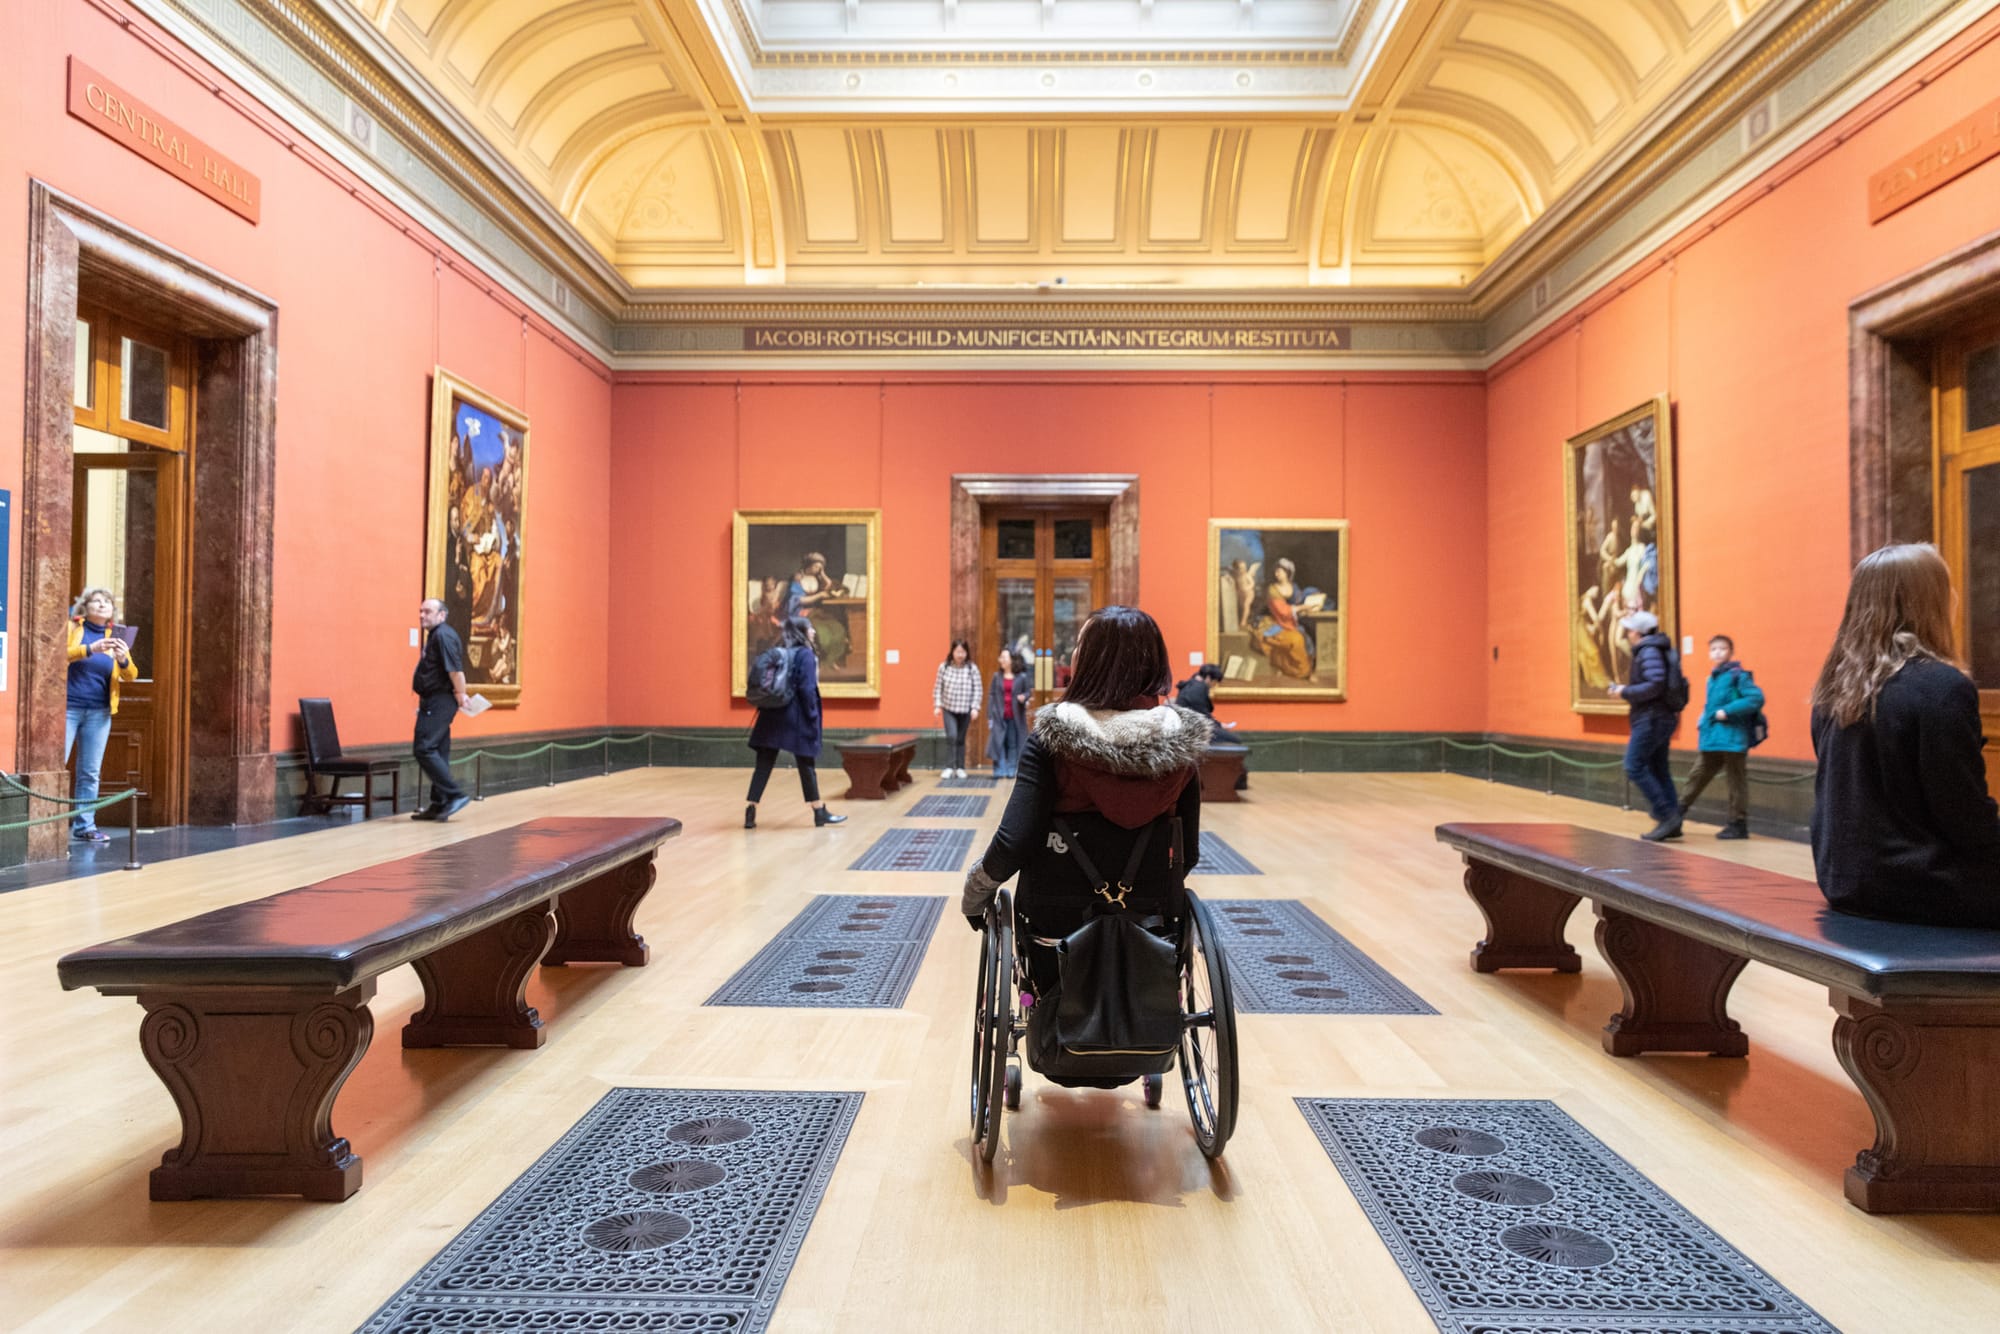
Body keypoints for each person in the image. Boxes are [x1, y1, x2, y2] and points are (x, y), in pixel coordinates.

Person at [961, 604, 1211, 952]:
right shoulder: (1182, 744)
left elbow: (1014, 841)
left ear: (1093, 663)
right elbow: (1191, 853)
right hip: (1150, 923)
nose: (1074, 653)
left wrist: (975, 891)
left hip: (1056, 923)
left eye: (1080, 645)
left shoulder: (1051, 739)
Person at [1810, 544, 2000, 928]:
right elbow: (1961, 813)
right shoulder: (1940, 685)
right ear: (1931, 600)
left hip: (1843, 878)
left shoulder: (1833, 688)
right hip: (1916, 883)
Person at [746, 616, 846, 829]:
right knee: (806, 764)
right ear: (802, 631)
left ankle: (750, 809)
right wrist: (812, 716)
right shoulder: (806, 655)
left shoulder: (781, 651)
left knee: (763, 765)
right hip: (796, 717)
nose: (814, 632)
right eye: (810, 628)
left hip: (771, 715)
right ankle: (819, 812)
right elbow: (807, 689)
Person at [65, 588, 138, 843]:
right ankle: (47, 829)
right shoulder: (73, 629)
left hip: (100, 712)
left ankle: (85, 826)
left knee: (90, 772)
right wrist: (89, 649)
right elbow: (59, 656)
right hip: (67, 709)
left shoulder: (116, 636)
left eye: (107, 602)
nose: (102, 604)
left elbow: (132, 675)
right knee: (55, 766)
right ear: (85, 607)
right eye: (97, 601)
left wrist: (123, 659)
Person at [1607, 608, 1684, 841]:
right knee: (1659, 768)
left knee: (1634, 765)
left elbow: (1655, 683)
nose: (1627, 633)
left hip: (1651, 717)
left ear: (1638, 632)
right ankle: (1673, 821)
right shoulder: (1655, 649)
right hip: (1660, 717)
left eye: (1629, 629)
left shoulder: (1648, 651)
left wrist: (1624, 691)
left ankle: (1666, 815)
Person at [1679, 634, 1765, 839]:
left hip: (1732, 737)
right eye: (1714, 649)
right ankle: (1676, 812)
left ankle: (1738, 822)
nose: (1718, 652)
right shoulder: (1712, 678)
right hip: (1713, 737)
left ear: (1731, 652)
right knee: (1697, 775)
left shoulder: (1739, 675)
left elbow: (1756, 698)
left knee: (1736, 781)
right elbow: (1711, 705)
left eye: (1723, 649)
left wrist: (1728, 711)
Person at [411, 597, 473, 822]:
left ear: (442, 615)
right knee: (438, 750)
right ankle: (439, 803)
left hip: (440, 700)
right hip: (434, 700)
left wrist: (460, 693)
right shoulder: (436, 636)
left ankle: (455, 794)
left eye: (427, 611)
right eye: (420, 611)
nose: (422, 615)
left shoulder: (444, 635)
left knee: (424, 748)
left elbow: (456, 671)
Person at [933, 639, 981, 777]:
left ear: (966, 653)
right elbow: (938, 688)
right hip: (949, 708)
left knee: (960, 738)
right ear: (952, 652)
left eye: (963, 652)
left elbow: (977, 689)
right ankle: (949, 766)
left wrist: (975, 708)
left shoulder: (972, 668)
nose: (960, 655)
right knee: (952, 736)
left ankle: (960, 767)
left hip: (965, 709)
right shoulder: (944, 667)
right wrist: (937, 705)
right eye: (957, 651)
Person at [985, 647, 1031, 779]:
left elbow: (1028, 692)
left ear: (1011, 660)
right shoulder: (996, 676)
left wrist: (1024, 697)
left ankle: (1012, 769)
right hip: (999, 715)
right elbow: (992, 695)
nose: (1002, 660)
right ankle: (1000, 769)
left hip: (1014, 715)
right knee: (999, 743)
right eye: (1001, 657)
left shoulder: (1021, 677)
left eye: (1005, 657)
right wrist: (990, 715)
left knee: (1012, 743)